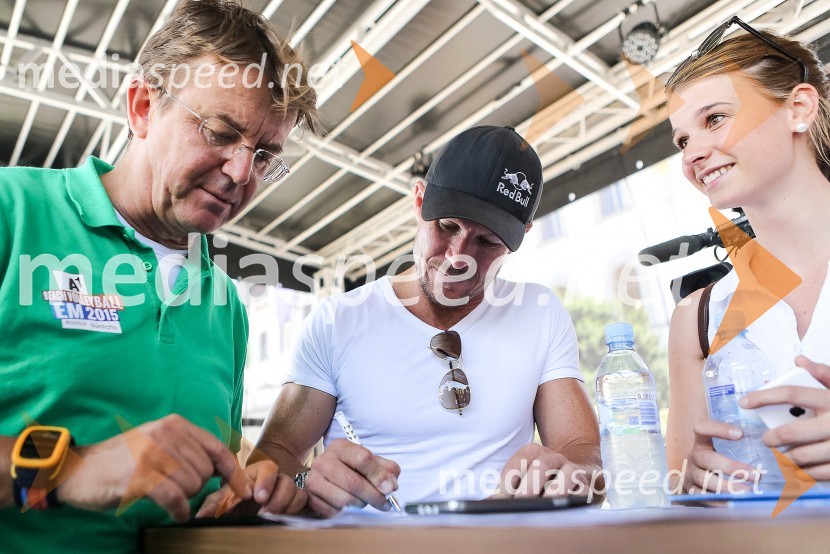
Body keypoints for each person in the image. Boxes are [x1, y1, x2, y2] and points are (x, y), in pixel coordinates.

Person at [0, 1, 321, 551]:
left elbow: (199, 487)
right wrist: (70, 470)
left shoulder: (225, 304)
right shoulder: (13, 211)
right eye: (220, 132)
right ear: (143, 106)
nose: (242, 174)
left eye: (265, 155)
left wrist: (262, 494)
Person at [235, 125, 602, 517]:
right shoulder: (338, 320)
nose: (459, 256)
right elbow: (268, 463)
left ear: (521, 237)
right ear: (419, 200)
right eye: (447, 227)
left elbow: (584, 455)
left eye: (487, 242)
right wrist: (308, 482)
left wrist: (570, 473)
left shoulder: (538, 312)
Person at [664, 17, 830, 492]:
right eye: (682, 140)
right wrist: (692, 478)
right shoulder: (697, 319)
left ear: (798, 107)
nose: (692, 153)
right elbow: (679, 495)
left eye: (714, 119)